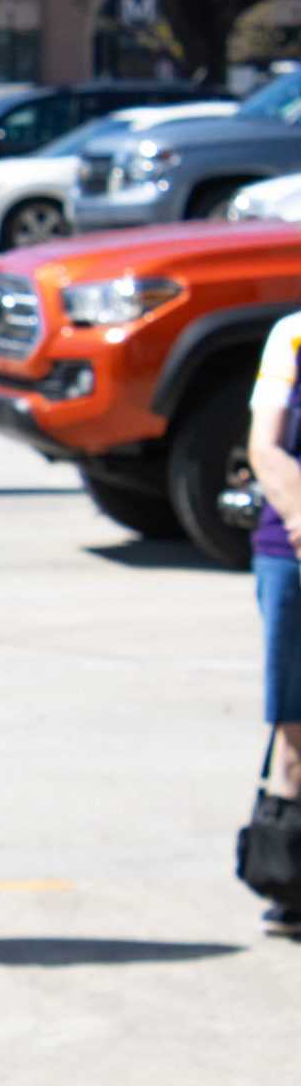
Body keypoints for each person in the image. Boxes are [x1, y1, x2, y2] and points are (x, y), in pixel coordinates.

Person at [244, 314, 301, 939]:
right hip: (290, 548)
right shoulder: (293, 335)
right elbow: (266, 445)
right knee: (295, 720)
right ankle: (293, 883)